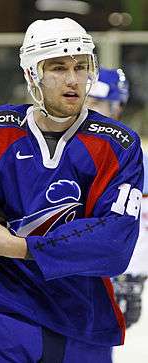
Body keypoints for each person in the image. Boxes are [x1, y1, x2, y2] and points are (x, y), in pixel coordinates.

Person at [0, 18, 144, 363]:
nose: (73, 79)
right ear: (30, 75)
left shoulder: (119, 145)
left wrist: (17, 246)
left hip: (81, 327)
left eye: (81, 67)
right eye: (57, 68)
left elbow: (114, 244)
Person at [86, 67, 148, 330]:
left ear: (118, 107)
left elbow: (141, 224)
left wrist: (131, 277)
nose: (88, 108)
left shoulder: (135, 162)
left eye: (97, 102)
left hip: (98, 287)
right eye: (85, 100)